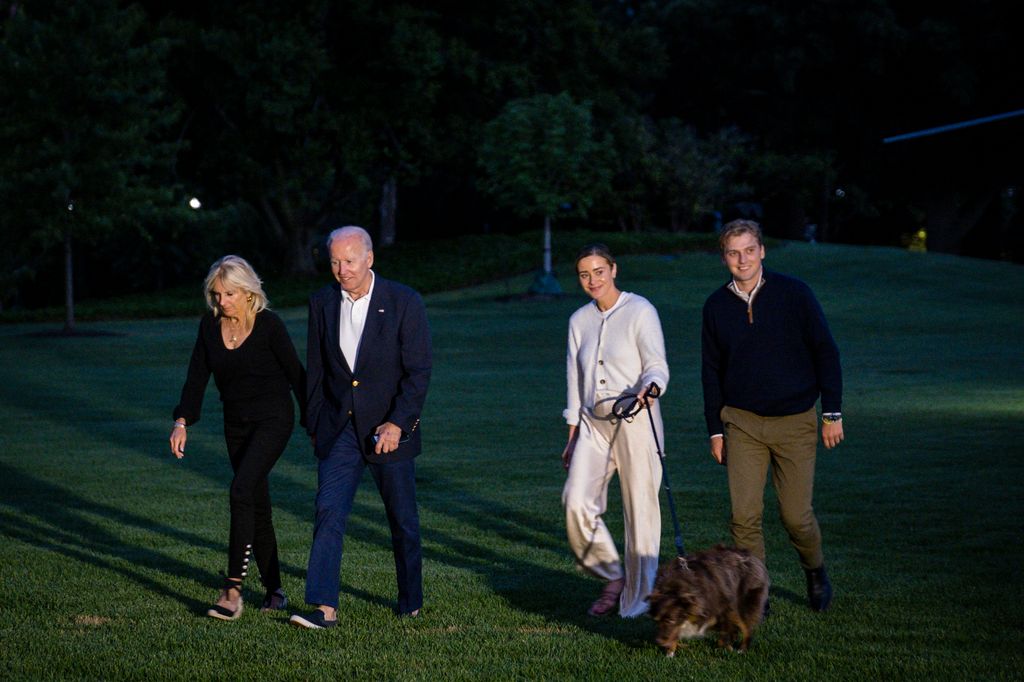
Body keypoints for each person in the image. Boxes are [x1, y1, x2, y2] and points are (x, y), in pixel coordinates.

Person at [289, 226, 432, 629]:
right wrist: (314, 423)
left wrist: (397, 424)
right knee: (328, 511)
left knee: (402, 519)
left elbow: (418, 371)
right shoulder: (321, 303)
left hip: (389, 430)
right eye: (334, 261)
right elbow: (315, 371)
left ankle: (411, 601)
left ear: (369, 259)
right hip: (338, 430)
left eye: (349, 261)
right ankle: (323, 606)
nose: (341, 270)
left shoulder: (404, 301)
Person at [701, 219, 844, 612]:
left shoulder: (794, 294)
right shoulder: (716, 306)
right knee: (744, 516)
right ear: (724, 257)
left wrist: (832, 412)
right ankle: (756, 590)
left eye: (749, 250)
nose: (742, 259)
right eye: (733, 252)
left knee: (796, 516)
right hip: (742, 422)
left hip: (795, 419)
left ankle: (814, 570)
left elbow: (825, 351)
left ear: (762, 251)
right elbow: (710, 371)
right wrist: (716, 430)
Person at [170, 255, 305, 620]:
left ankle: (232, 590)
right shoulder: (209, 327)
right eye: (216, 294)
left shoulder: (269, 327)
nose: (221, 301)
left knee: (241, 490)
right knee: (256, 505)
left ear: (248, 293)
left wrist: (316, 422)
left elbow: (297, 375)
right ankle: (275, 590)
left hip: (273, 420)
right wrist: (182, 421)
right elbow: (196, 377)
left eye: (229, 294)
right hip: (237, 425)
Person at [561, 243, 670, 618]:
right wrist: (572, 430)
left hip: (635, 419)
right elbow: (575, 378)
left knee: (641, 509)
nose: (592, 280)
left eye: (599, 271)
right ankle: (612, 575)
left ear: (613, 270)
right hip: (593, 424)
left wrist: (651, 388)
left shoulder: (641, 311)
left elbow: (657, 365)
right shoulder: (579, 320)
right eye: (584, 274)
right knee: (575, 501)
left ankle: (638, 603)